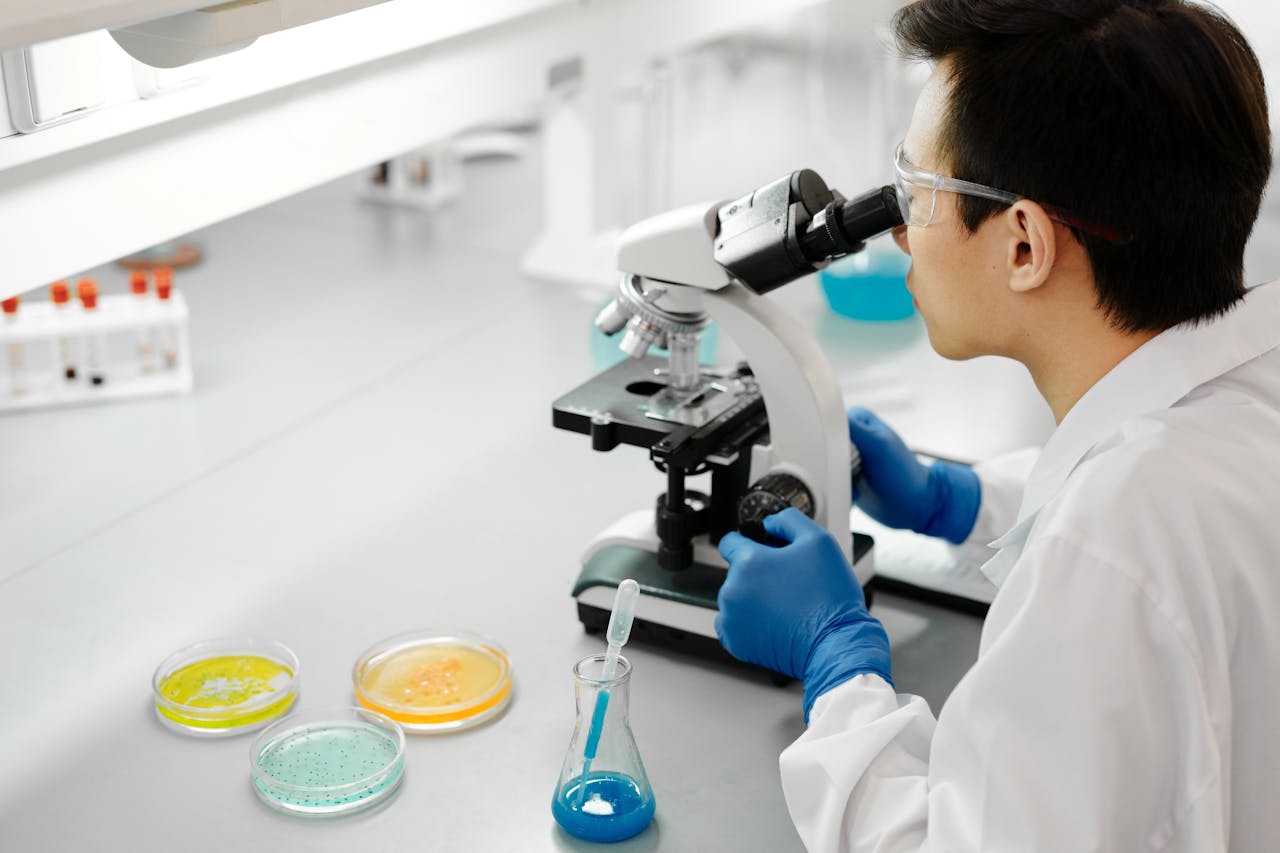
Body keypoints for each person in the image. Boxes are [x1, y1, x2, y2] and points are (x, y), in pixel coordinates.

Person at [713, 0, 1279, 850]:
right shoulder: (1243, 391)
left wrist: (839, 669)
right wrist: (967, 501)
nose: (899, 232)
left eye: (916, 191)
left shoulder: (1113, 546)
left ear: (1024, 245)